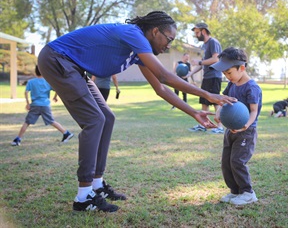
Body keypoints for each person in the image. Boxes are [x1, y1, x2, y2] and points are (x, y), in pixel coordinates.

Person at [37, 11, 236, 213]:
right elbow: (164, 76)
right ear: (155, 31)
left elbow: (160, 88)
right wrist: (208, 95)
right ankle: (83, 196)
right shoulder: (133, 34)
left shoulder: (138, 50)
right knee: (95, 120)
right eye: (168, 39)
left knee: (107, 117)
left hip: (76, 68)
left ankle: (97, 185)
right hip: (58, 59)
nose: (168, 45)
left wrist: (193, 112)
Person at [210, 47, 262, 205]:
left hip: (246, 132)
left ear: (242, 68)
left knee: (237, 161)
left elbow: (254, 111)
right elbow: (223, 99)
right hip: (230, 130)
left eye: (229, 72)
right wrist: (218, 111)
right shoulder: (231, 84)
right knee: (226, 162)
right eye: (224, 73)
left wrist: (245, 126)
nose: (227, 76)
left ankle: (248, 192)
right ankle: (235, 191)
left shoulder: (252, 88)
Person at [11, 65, 74, 146]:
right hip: (45, 105)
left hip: (35, 105)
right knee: (51, 121)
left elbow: (26, 92)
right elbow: (57, 89)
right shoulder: (48, 81)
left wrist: (27, 103)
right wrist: (55, 97)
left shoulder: (31, 82)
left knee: (27, 122)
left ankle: (18, 139)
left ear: (35, 71)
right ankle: (66, 133)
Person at [186, 22, 224, 134]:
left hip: (214, 77)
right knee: (204, 102)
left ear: (203, 31)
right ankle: (204, 124)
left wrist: (200, 61)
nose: (196, 35)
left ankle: (220, 127)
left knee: (216, 102)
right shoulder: (205, 45)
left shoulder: (213, 42)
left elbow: (216, 59)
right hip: (207, 77)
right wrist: (190, 74)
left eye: (197, 32)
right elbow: (203, 64)